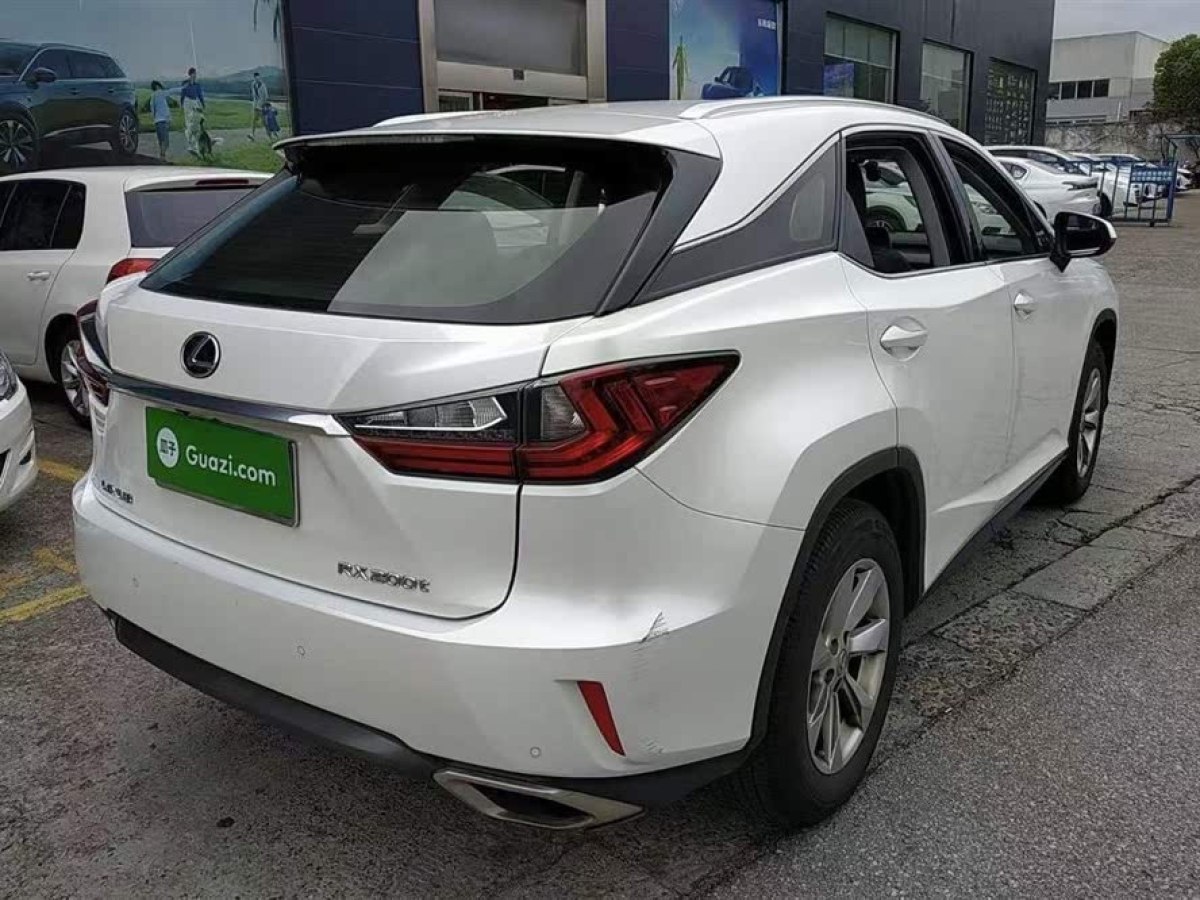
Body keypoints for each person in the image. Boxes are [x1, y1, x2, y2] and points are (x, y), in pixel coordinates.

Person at [180, 67, 206, 158]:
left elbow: (200, 95)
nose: (195, 75)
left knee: (196, 123)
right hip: (187, 103)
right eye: (193, 74)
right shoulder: (185, 84)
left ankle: (196, 145)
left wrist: (203, 104)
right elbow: (182, 95)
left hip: (194, 102)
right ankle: (190, 145)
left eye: (195, 74)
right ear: (190, 74)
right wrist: (181, 104)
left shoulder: (197, 85)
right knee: (189, 124)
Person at [148, 80, 172, 160]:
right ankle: (162, 155)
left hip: (157, 121)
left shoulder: (153, 95)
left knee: (161, 139)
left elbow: (152, 107)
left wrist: (154, 117)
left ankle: (162, 155)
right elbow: (172, 91)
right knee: (165, 140)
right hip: (164, 120)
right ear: (158, 86)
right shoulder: (162, 93)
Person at [249, 70, 269, 140]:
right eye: (255, 78)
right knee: (254, 120)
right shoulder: (253, 85)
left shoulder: (263, 85)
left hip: (261, 105)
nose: (257, 79)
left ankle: (269, 135)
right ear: (254, 78)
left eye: (258, 78)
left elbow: (266, 96)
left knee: (264, 121)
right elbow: (254, 95)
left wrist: (263, 105)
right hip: (255, 105)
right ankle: (252, 134)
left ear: (259, 78)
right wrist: (254, 104)